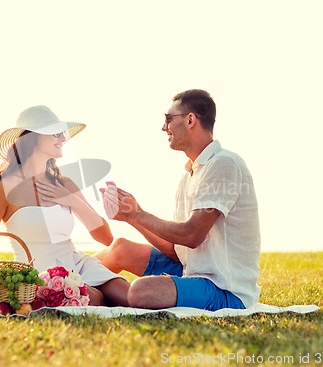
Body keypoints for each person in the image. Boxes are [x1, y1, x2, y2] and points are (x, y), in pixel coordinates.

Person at [97, 89, 261, 311]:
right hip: (190, 271)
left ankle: (91, 297)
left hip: (224, 289)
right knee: (119, 249)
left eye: (168, 119)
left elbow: (192, 235)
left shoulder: (224, 164)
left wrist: (138, 214)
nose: (164, 127)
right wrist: (131, 217)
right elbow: (176, 250)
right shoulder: (190, 174)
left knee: (141, 292)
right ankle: (63, 284)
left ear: (191, 119)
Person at [0, 105, 130, 306]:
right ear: (33, 137)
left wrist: (71, 200)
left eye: (62, 133)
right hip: (40, 275)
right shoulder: (4, 188)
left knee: (133, 296)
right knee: (97, 298)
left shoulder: (64, 184)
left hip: (79, 264)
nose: (63, 138)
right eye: (56, 133)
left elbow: (106, 238)